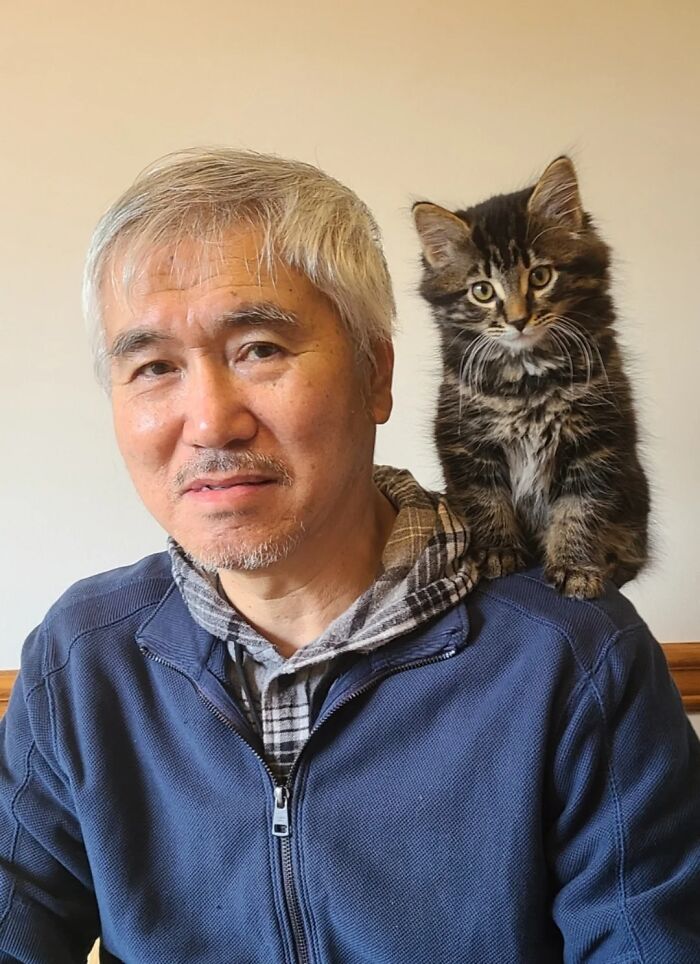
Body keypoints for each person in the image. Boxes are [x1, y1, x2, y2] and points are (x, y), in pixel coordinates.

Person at [0, 148, 698, 964]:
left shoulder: (576, 659)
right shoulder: (82, 660)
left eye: (259, 348)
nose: (210, 421)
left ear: (378, 373)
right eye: (154, 367)